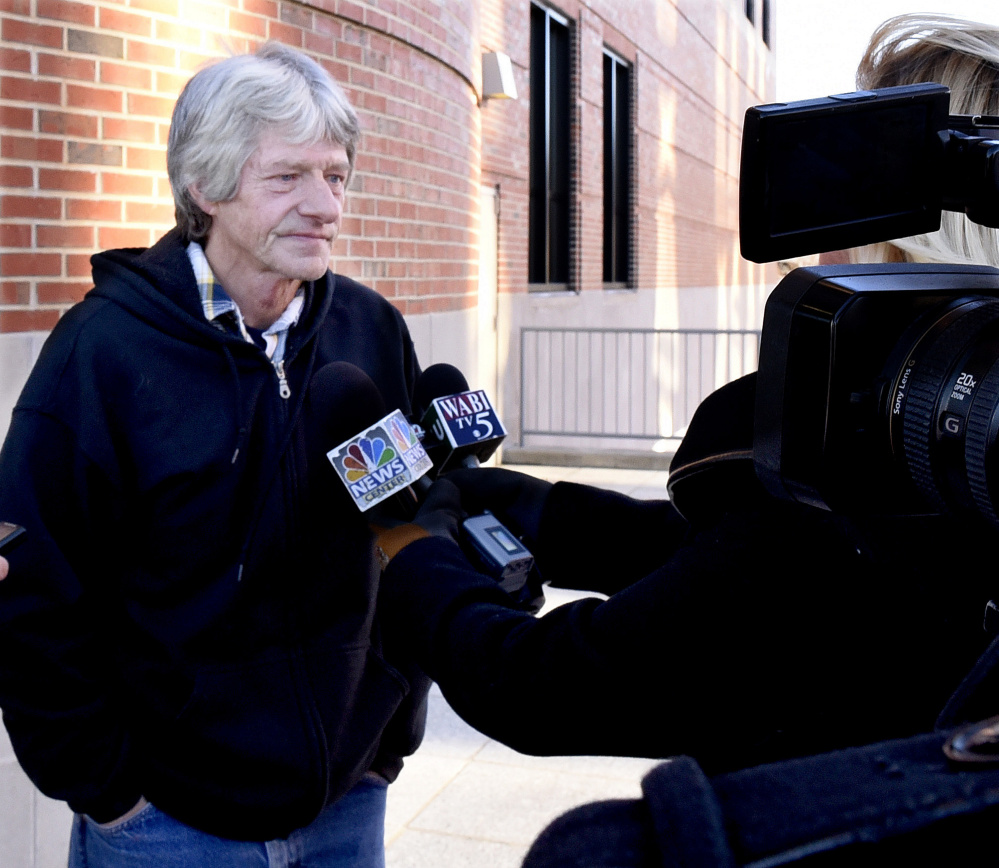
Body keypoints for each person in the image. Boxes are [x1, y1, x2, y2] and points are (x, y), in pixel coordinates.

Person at [374, 13, 999, 774]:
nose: (824, 244)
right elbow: (729, 575)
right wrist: (546, 515)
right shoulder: (939, 470)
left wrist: (411, 562)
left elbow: (544, 684)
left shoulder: (852, 498)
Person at [0, 43, 427, 867]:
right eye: (287, 177)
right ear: (205, 186)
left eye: (335, 176)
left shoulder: (371, 333)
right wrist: (110, 792)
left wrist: (389, 733)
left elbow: (409, 535)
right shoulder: (103, 352)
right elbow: (30, 592)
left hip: (347, 805)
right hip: (166, 827)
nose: (324, 206)